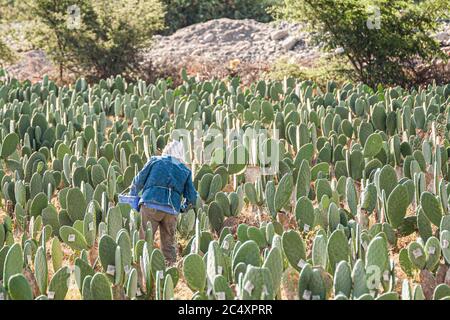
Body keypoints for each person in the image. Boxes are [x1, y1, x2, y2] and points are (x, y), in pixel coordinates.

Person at [129, 140, 197, 265]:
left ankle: (141, 269)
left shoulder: (155, 160)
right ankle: (170, 271)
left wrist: (132, 196)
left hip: (150, 205)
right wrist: (183, 207)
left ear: (166, 150)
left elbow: (138, 180)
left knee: (144, 240)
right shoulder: (185, 170)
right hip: (171, 210)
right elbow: (192, 196)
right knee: (169, 244)